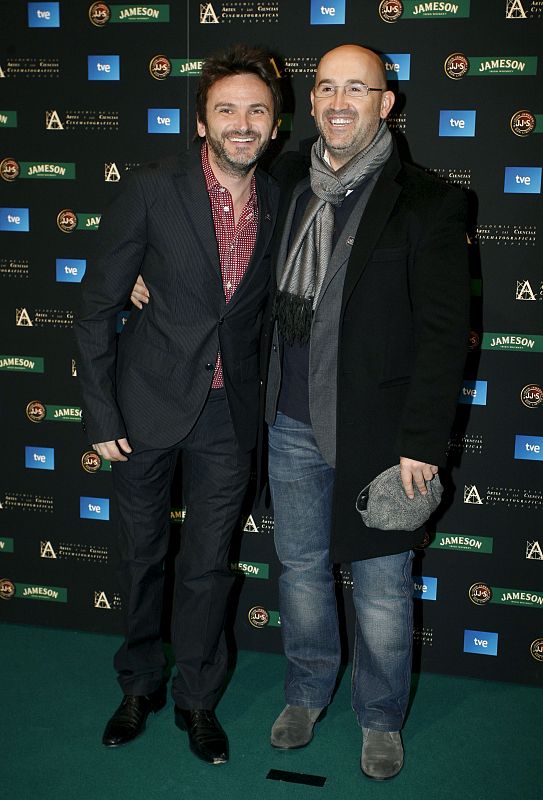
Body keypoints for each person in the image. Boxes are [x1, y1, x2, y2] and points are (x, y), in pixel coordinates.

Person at [263, 44, 469, 780]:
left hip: (383, 436)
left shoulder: (430, 202)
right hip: (288, 422)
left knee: (382, 586)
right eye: (327, 88)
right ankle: (306, 690)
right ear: (312, 101)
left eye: (358, 88)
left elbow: (443, 334)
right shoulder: (286, 180)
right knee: (301, 572)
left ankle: (380, 716)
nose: (339, 102)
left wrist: (423, 442)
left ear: (386, 103)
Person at [74, 44, 280, 765]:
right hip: (144, 407)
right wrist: (101, 415)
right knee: (142, 559)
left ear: (275, 123)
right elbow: (95, 307)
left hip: (230, 413)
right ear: (201, 121)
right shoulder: (151, 189)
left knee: (208, 566)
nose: (242, 123)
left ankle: (197, 699)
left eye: (257, 110)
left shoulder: (282, 198)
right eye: (227, 109)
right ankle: (139, 685)